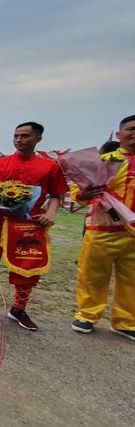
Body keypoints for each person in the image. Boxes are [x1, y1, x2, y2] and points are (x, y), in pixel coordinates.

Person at [0, 122, 68, 331]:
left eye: (25, 136)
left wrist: (51, 213)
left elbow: (56, 195)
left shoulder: (49, 167)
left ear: (38, 139)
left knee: (28, 262)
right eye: (16, 136)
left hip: (29, 221)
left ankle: (19, 307)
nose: (19, 140)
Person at [70, 115, 135, 341]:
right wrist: (82, 195)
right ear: (119, 135)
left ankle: (126, 321)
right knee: (93, 274)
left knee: (132, 279)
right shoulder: (105, 160)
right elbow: (76, 191)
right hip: (103, 227)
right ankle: (88, 314)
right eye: (131, 129)